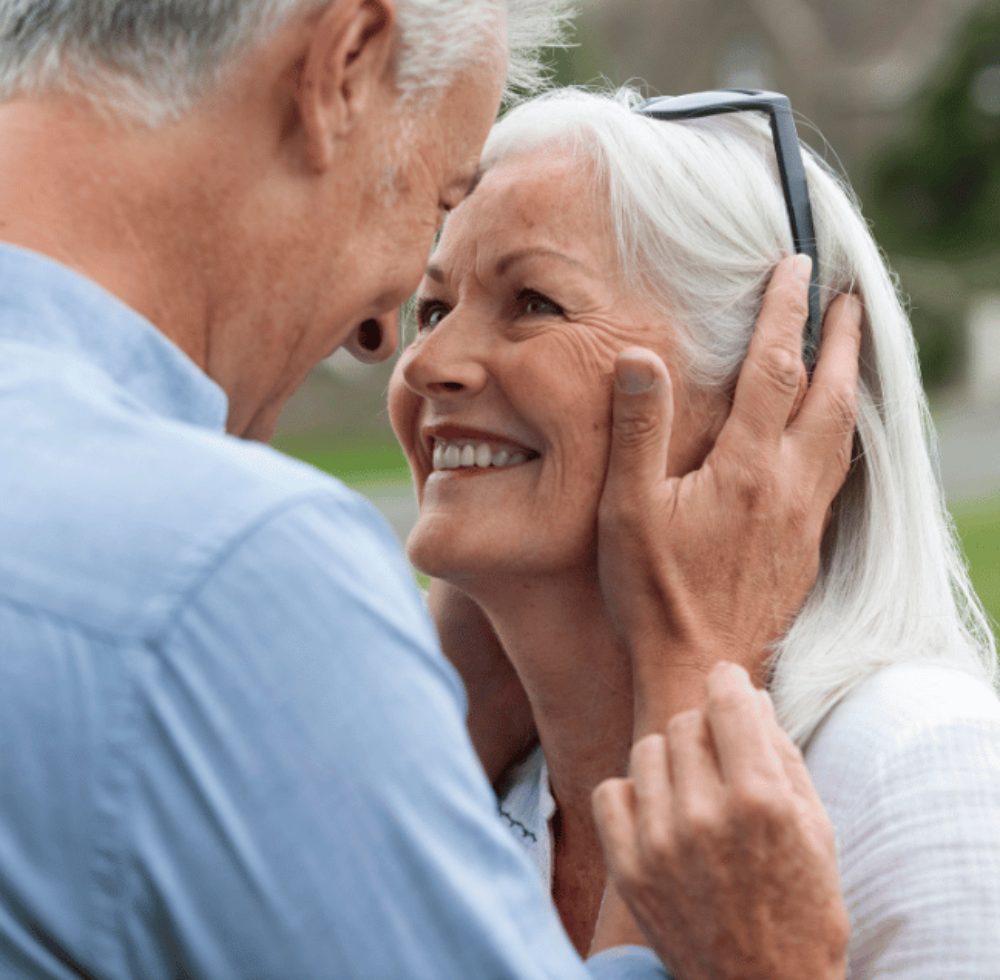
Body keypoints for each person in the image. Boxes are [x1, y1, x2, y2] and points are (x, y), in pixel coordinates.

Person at [0, 1, 859, 977]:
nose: (383, 340)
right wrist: (700, 687)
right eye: (435, 202)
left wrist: (428, 710)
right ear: (344, 65)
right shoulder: (222, 569)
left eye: (529, 302)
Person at [389, 85, 1000, 977]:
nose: (427, 364)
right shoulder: (474, 786)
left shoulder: (909, 764)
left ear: (771, 391)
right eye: (434, 309)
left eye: (534, 302)